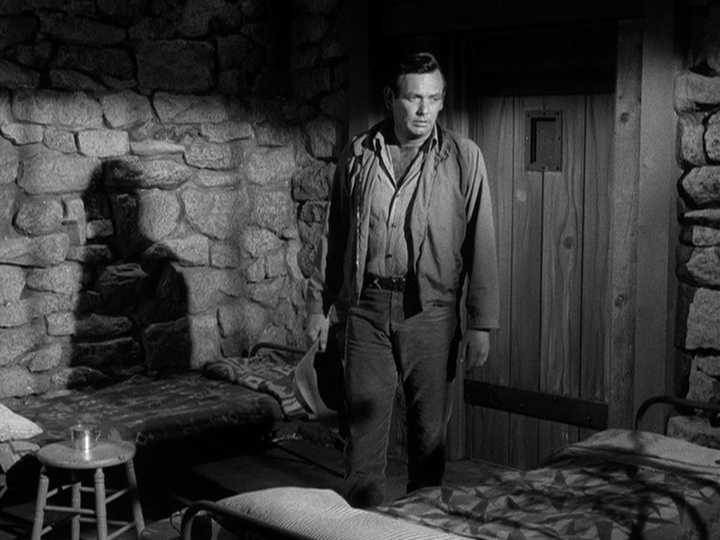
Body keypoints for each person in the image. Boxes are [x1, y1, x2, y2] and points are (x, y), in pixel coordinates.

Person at [305, 51, 499, 508]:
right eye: (414, 98)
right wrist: (319, 305)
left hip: (431, 312)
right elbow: (335, 235)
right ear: (391, 98)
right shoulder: (358, 154)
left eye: (434, 98)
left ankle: (422, 528)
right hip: (367, 308)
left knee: (428, 441)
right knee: (362, 441)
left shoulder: (463, 158)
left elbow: (482, 241)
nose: (425, 110)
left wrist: (482, 323)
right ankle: (361, 530)